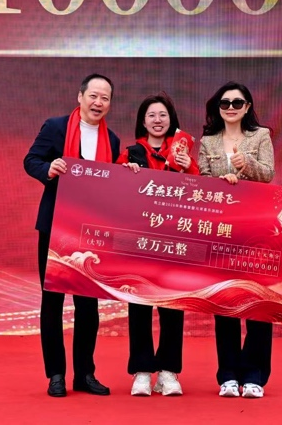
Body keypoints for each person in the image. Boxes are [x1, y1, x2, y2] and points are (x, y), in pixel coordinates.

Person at [23, 74, 121, 398]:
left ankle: (85, 374)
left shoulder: (113, 141)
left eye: (105, 98)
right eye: (93, 95)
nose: (98, 102)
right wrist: (48, 169)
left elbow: (114, 182)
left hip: (91, 231)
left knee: (88, 305)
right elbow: (31, 160)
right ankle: (55, 374)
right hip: (56, 226)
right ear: (80, 97)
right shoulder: (56, 127)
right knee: (52, 302)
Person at [116, 93, 199, 397]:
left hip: (174, 241)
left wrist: (189, 169)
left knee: (172, 306)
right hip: (139, 242)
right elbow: (116, 196)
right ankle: (141, 371)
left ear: (171, 120)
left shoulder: (184, 155)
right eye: (151, 115)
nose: (157, 120)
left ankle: (168, 371)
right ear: (143, 121)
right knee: (139, 305)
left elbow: (199, 197)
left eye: (163, 115)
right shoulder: (129, 154)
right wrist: (125, 175)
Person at [197, 82, 275, 399]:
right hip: (221, 231)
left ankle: (254, 375)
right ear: (218, 107)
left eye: (237, 102)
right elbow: (201, 183)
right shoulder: (207, 141)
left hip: (256, 229)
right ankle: (228, 375)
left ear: (247, 107)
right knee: (225, 302)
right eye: (225, 103)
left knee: (258, 303)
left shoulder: (261, 136)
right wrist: (220, 182)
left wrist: (246, 165)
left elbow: (268, 174)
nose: (230, 107)